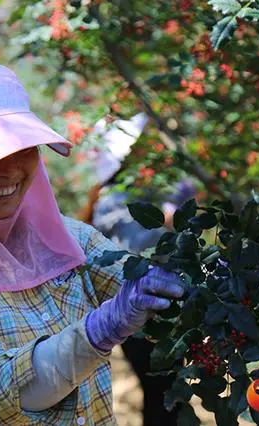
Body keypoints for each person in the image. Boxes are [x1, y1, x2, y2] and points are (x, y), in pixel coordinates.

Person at [0, 58, 187, 425]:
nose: (10, 168)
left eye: (22, 145)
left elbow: (168, 304)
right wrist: (100, 328)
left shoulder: (69, 240)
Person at [77, 114, 196, 426]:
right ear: (127, 155)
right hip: (146, 316)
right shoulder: (119, 200)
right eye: (139, 144)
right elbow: (148, 254)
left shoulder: (123, 195)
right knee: (165, 394)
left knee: (163, 392)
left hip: (146, 314)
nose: (148, 148)